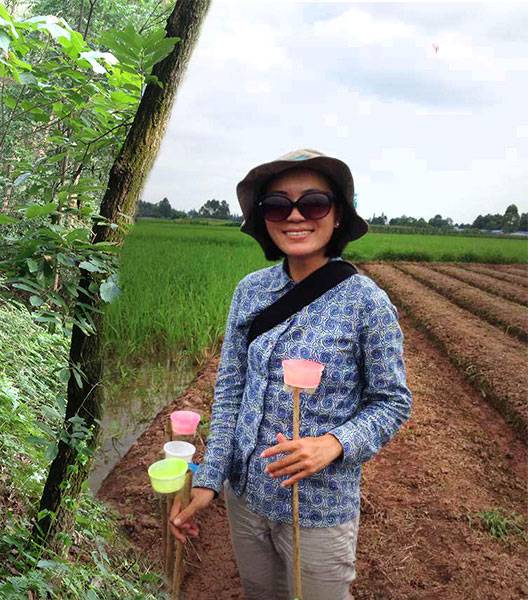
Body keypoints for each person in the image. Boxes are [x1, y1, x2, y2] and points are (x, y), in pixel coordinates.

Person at [169, 149, 412, 600]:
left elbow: (393, 401)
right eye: (278, 205)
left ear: (337, 215)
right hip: (246, 497)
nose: (295, 215)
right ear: (265, 220)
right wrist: (209, 479)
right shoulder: (250, 291)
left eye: (313, 203)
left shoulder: (366, 303)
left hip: (318, 507)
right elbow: (229, 391)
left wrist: (334, 444)